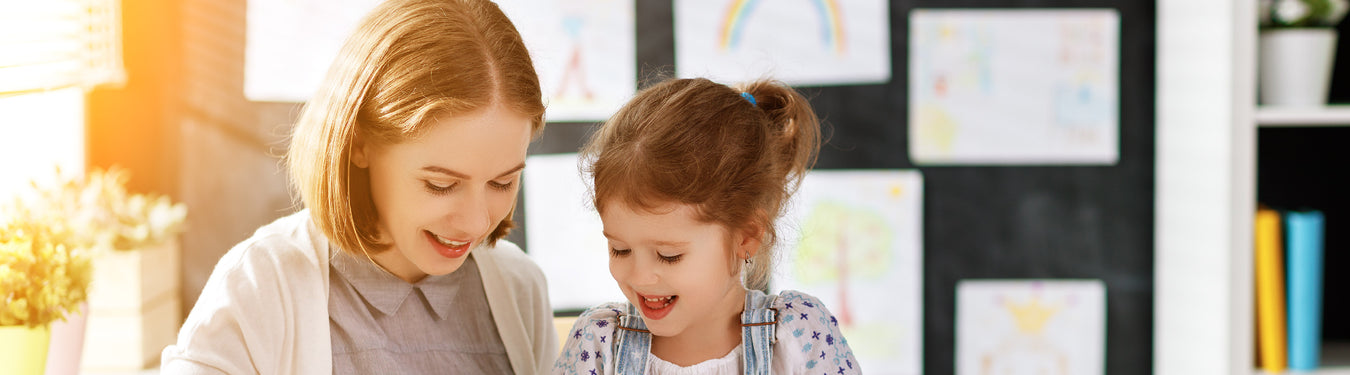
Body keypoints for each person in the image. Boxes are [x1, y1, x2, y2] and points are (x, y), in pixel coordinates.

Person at [161, 0, 556, 373]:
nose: (474, 222)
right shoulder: (262, 284)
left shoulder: (520, 288)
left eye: (502, 182)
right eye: (441, 184)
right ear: (360, 144)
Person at [553, 77, 861, 375]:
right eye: (620, 250)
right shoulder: (598, 344)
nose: (640, 276)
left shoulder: (799, 336)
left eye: (668, 255)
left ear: (747, 236)